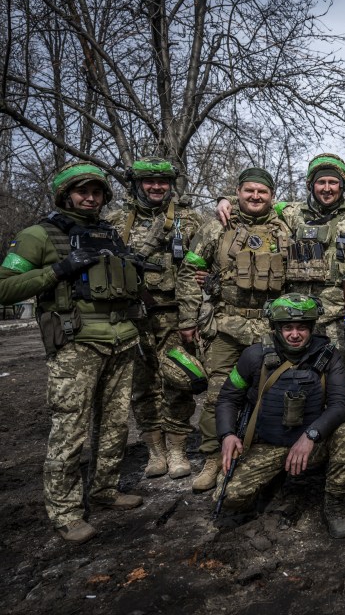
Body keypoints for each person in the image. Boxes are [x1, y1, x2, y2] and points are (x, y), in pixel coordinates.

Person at [0, 161, 144, 544]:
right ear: (65, 194)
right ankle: (65, 511)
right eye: (82, 191)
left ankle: (105, 491)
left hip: (122, 338)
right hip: (76, 344)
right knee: (70, 428)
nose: (90, 198)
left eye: (96, 192)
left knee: (114, 425)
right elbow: (4, 288)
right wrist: (57, 270)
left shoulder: (110, 233)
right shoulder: (38, 235)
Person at [177, 167, 292, 492]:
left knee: (270, 394)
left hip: (270, 329)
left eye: (263, 192)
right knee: (217, 395)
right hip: (225, 326)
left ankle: (258, 455)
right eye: (248, 191)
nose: (255, 197)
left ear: (272, 196)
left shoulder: (285, 228)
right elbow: (189, 271)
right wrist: (187, 318)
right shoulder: (217, 227)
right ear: (238, 192)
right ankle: (213, 457)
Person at [214, 293, 345, 538]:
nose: (295, 334)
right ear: (276, 328)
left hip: (312, 444)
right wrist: (227, 435)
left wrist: (311, 435)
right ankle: (275, 479)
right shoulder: (253, 356)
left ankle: (333, 502)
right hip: (268, 444)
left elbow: (341, 404)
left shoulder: (328, 355)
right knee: (229, 496)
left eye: (302, 327)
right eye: (288, 328)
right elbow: (228, 398)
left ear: (312, 328)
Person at [105, 157, 204, 480]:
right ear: (136, 185)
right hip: (131, 317)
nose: (157, 187)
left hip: (175, 315)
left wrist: (190, 318)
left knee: (180, 381)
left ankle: (177, 448)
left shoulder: (188, 220)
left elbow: (196, 270)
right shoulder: (116, 221)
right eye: (149, 181)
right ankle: (155, 450)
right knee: (142, 386)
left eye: (162, 182)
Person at [214, 153, 345, 350]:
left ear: (343, 185)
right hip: (298, 318)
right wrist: (225, 200)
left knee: (338, 376)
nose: (327, 188)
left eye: (333, 182)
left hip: (339, 318)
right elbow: (256, 200)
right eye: (321, 182)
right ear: (311, 185)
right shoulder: (293, 212)